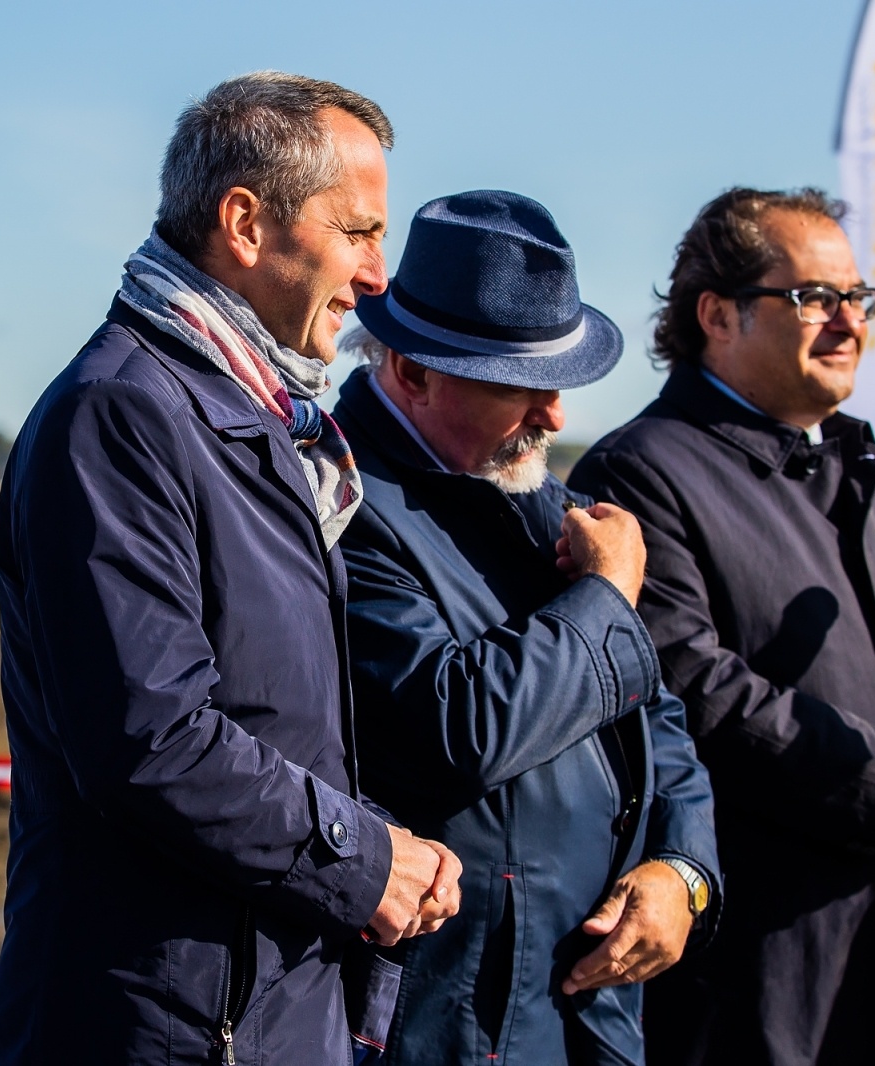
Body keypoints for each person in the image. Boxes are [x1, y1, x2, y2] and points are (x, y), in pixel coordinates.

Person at [0, 72, 462, 1066]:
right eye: (360, 231)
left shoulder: (260, 423)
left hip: (257, 1012)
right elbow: (151, 739)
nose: (379, 276)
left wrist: (381, 842)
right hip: (161, 1024)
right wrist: (365, 859)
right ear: (245, 223)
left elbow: (270, 723)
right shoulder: (120, 416)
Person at [568, 187, 875, 1064]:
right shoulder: (641, 474)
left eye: (858, 298)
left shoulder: (863, 473)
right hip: (764, 971)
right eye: (814, 297)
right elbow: (695, 691)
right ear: (718, 314)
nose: (849, 321)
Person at [333, 190, 721, 1065]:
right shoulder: (337, 503)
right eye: (523, 384)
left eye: (562, 382)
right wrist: (606, 599)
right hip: (440, 1024)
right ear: (413, 371)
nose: (555, 417)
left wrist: (683, 874)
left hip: (582, 1015)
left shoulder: (550, 505)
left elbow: (659, 724)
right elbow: (455, 728)